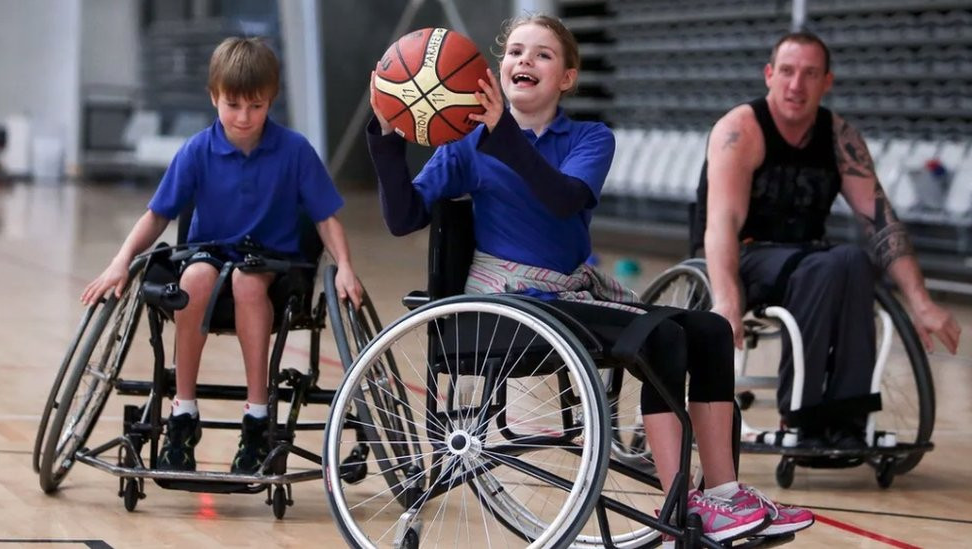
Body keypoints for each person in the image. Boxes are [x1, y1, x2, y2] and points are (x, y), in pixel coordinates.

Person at [367, 14, 812, 545]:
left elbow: (562, 200)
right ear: (498, 67)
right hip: (507, 308)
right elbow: (403, 217)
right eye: (514, 52)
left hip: (565, 295)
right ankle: (678, 512)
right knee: (663, 337)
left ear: (568, 78)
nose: (523, 61)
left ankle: (721, 496)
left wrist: (502, 134)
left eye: (542, 54)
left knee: (712, 331)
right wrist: (385, 136)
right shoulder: (467, 145)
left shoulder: (590, 138)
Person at [81, 37, 362, 475]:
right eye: (233, 105)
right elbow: (156, 216)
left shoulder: (295, 151)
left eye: (256, 105)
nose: (244, 117)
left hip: (270, 263)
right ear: (214, 97)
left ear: (271, 100)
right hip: (208, 253)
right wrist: (120, 261)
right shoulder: (197, 150)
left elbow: (327, 218)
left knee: (247, 282)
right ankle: (183, 411)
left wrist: (345, 266)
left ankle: (256, 417)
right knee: (193, 280)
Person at [699, 31, 961, 449]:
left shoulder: (841, 138)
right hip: (744, 253)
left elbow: (881, 221)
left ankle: (847, 418)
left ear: (827, 82)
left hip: (808, 260)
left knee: (855, 260)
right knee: (830, 264)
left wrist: (921, 300)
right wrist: (728, 299)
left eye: (809, 74)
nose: (795, 85)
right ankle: (804, 416)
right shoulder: (740, 130)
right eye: (786, 71)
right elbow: (722, 222)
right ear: (769, 75)